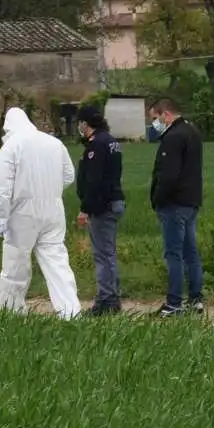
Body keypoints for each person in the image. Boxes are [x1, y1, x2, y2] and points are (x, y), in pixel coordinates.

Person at [0, 107, 81, 320]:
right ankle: (70, 312)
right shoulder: (54, 143)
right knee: (57, 261)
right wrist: (51, 191)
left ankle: (11, 312)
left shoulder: (11, 146)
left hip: (22, 213)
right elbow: (69, 175)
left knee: (16, 264)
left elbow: (2, 188)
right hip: (53, 210)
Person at [149, 97, 205, 317]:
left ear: (166, 114)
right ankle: (196, 299)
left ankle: (174, 303)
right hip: (191, 201)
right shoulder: (192, 132)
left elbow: (168, 175)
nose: (154, 124)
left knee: (174, 254)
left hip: (173, 203)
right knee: (191, 252)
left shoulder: (172, 137)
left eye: (155, 118)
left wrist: (157, 199)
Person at [75, 105, 125, 316]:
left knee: (103, 255)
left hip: (102, 206)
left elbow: (95, 180)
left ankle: (106, 301)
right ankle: (112, 297)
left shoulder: (97, 145)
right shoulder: (112, 141)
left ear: (85, 124)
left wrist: (85, 209)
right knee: (108, 253)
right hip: (114, 201)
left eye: (80, 123)